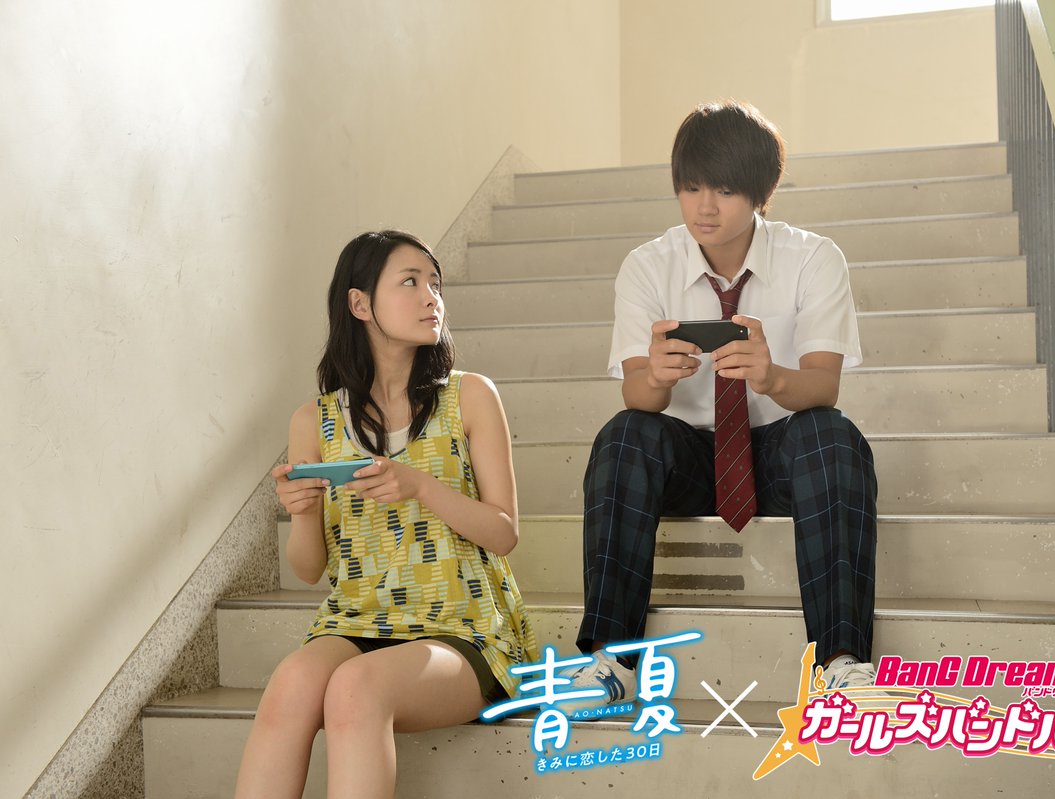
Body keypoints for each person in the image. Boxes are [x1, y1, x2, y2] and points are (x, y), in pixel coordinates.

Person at [567, 101, 879, 711]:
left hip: (782, 454)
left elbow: (823, 385)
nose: (704, 207)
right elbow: (636, 393)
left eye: (725, 190)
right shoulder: (647, 266)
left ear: (761, 193)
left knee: (832, 434)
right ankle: (609, 662)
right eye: (691, 188)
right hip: (685, 458)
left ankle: (841, 664)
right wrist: (657, 378)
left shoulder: (813, 258)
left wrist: (771, 377)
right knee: (625, 432)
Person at [235, 230, 537, 798]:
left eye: (435, 284)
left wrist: (420, 486)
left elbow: (503, 534)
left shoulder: (470, 397)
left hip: (464, 630)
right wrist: (303, 512)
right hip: (357, 620)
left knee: (356, 688)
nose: (431, 298)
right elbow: (308, 569)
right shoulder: (314, 422)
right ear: (359, 304)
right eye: (410, 282)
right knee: (292, 682)